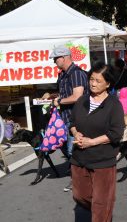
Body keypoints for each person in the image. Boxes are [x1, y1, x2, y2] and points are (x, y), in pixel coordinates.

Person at [70, 62, 125, 222]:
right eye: (91, 79)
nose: (93, 83)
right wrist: (76, 133)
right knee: (80, 196)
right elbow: (72, 122)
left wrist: (92, 142)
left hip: (103, 161)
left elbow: (116, 133)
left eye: (98, 81)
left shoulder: (114, 105)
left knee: (101, 203)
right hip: (79, 159)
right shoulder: (82, 100)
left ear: (108, 84)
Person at [50, 45, 89, 192]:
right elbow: (66, 94)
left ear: (64, 57)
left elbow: (77, 96)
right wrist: (56, 97)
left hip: (78, 118)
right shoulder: (63, 74)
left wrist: (59, 101)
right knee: (65, 146)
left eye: (56, 58)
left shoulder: (76, 74)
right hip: (66, 117)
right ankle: (79, 173)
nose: (54, 61)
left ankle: (78, 180)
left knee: (75, 150)